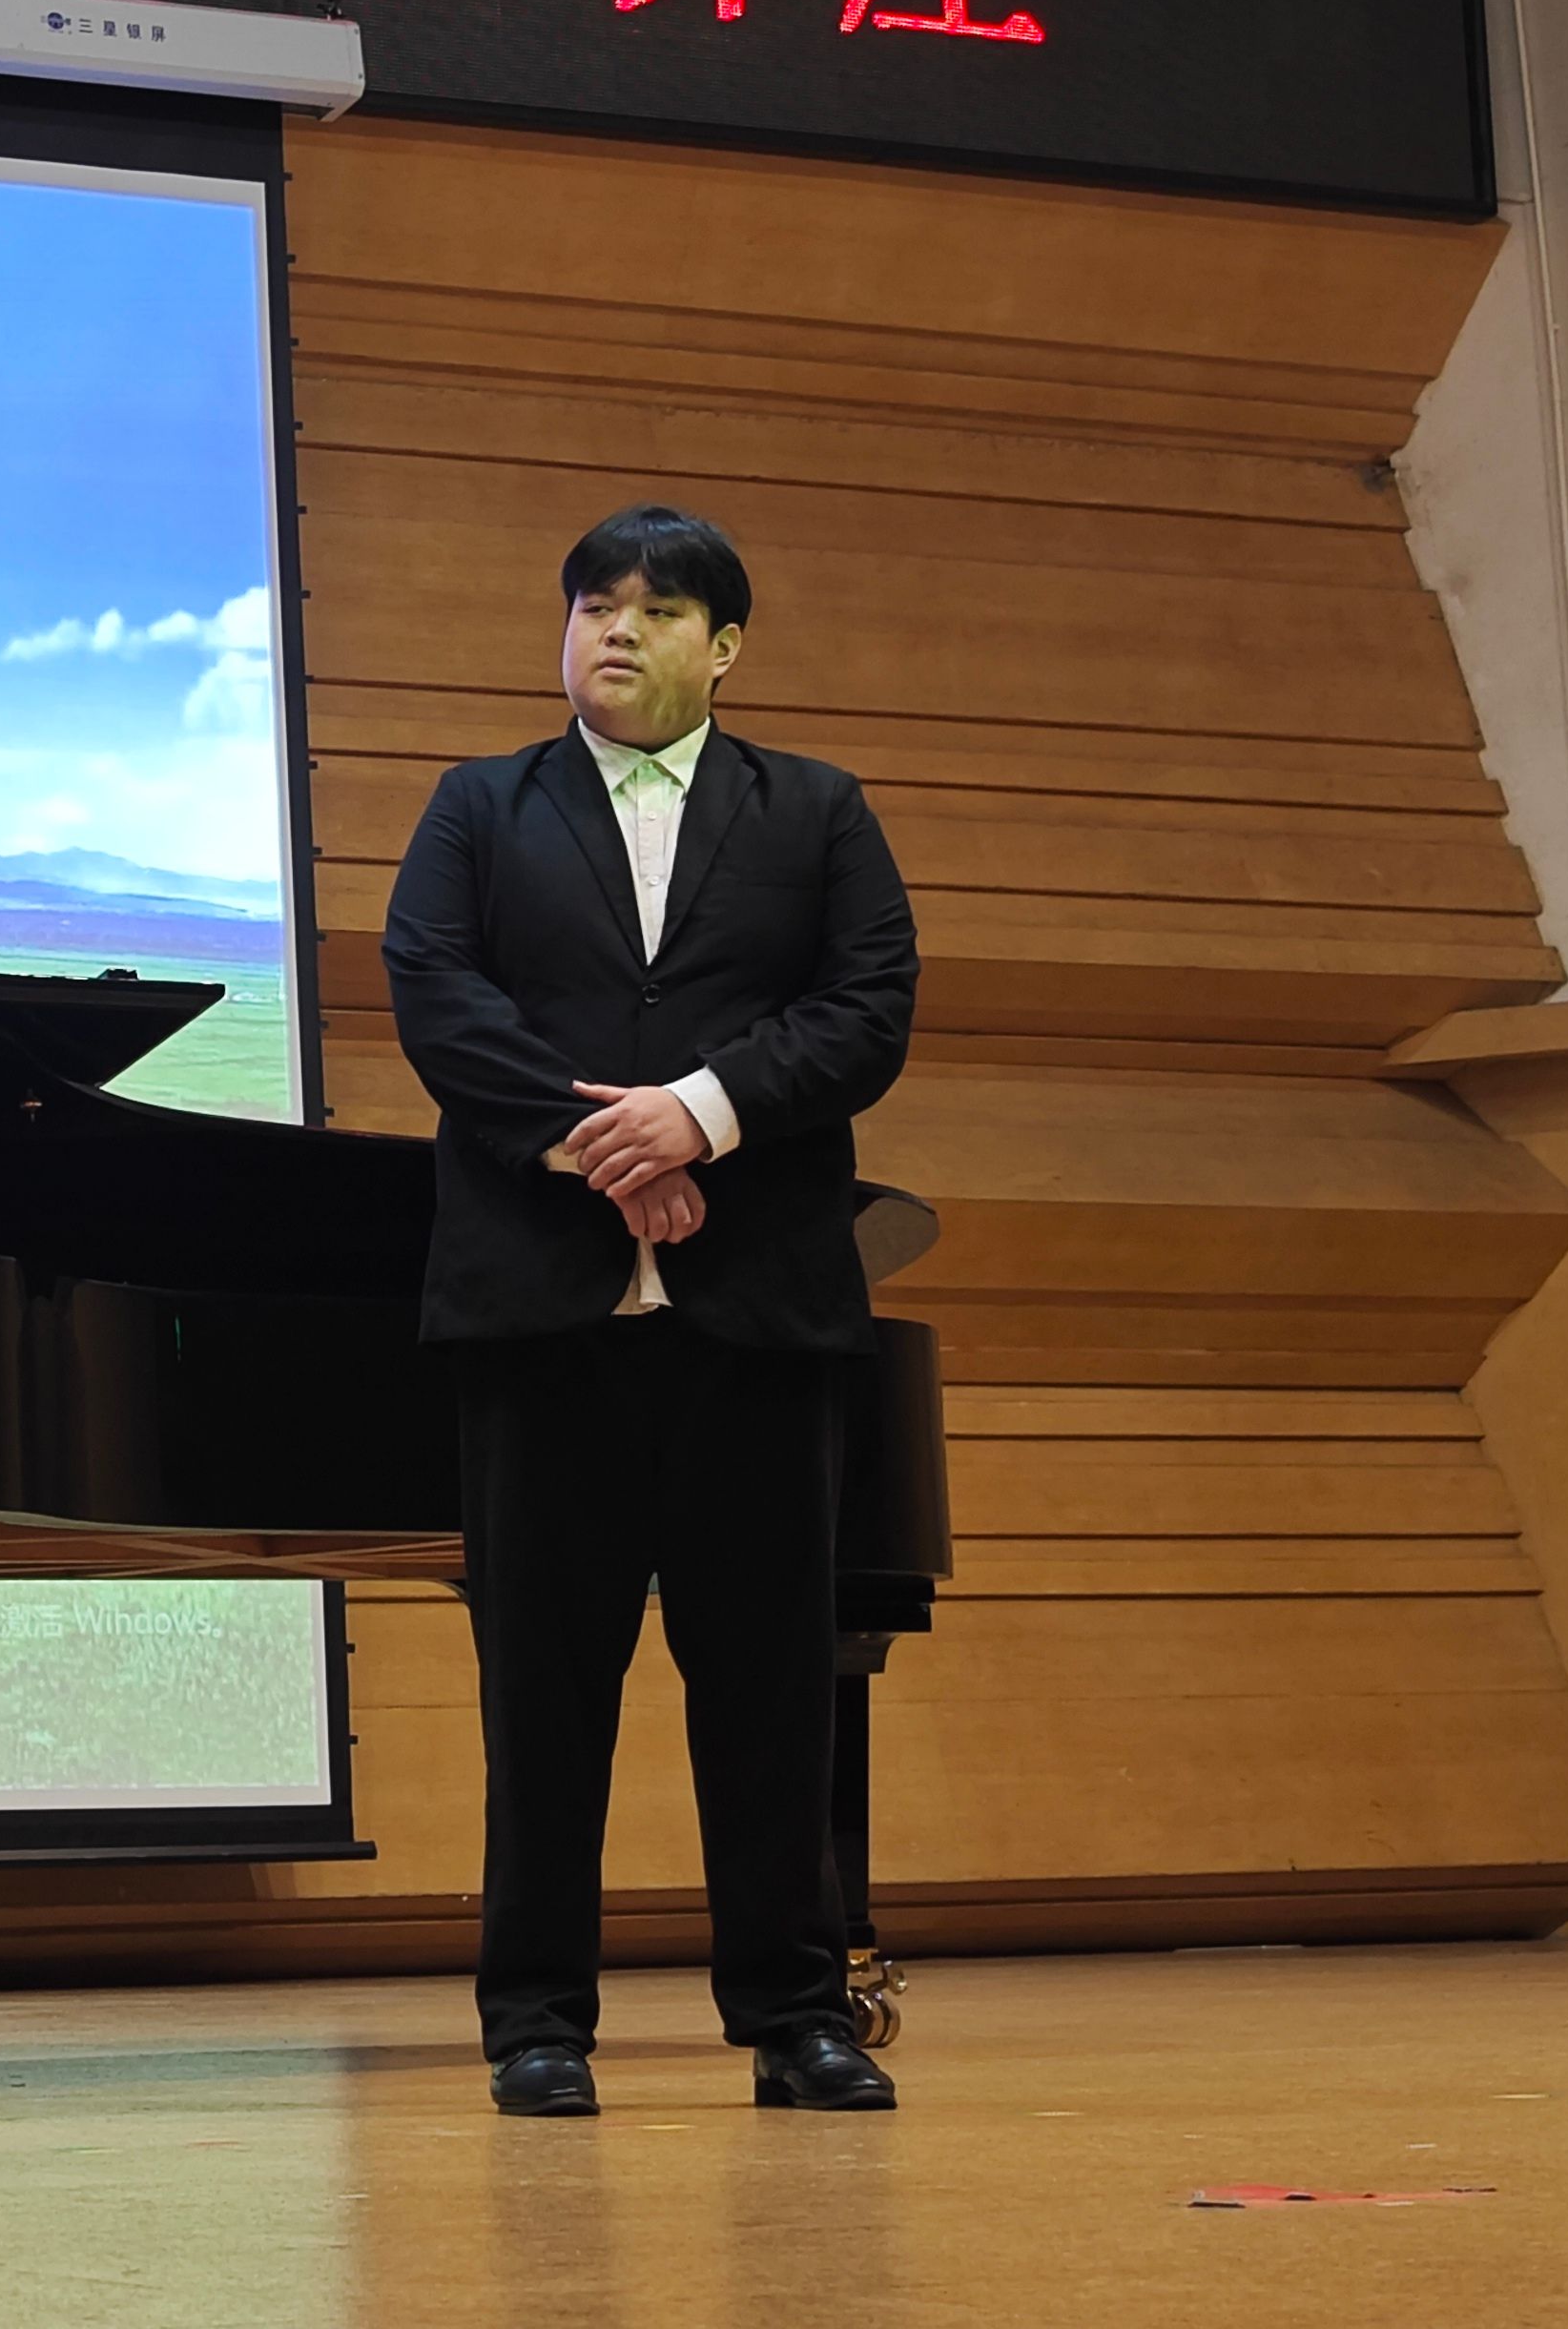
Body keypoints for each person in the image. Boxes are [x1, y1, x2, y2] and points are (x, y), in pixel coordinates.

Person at [380, 506, 917, 2120]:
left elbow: (866, 1010)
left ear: (725, 646)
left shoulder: (817, 809)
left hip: (758, 1321)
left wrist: (700, 1114)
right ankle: (536, 2021)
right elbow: (435, 994)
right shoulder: (478, 806)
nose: (616, 629)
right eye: (594, 603)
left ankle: (796, 2016)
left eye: (659, 608)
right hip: (539, 1324)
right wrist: (602, 1148)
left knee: (769, 1691)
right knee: (544, 1696)